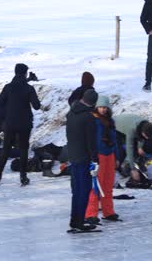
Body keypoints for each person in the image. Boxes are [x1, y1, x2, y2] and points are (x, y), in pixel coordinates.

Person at [0, 64, 41, 186]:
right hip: (25, 123)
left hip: (10, 123)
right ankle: (23, 177)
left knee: (6, 148)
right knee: (24, 149)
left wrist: (7, 113)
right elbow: (36, 106)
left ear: (15, 72)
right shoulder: (29, 88)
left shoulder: (8, 87)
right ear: (25, 73)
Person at [85, 96, 121, 225]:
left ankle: (108, 211)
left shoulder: (110, 121)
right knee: (96, 186)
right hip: (99, 156)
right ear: (96, 107)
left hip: (109, 155)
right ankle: (91, 213)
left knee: (108, 184)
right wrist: (92, 157)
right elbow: (91, 141)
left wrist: (116, 157)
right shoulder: (93, 121)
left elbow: (115, 141)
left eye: (105, 107)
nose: (103, 109)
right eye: (101, 107)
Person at [66, 89, 99, 232]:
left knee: (76, 190)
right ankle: (79, 222)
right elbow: (90, 141)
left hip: (73, 155)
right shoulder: (88, 118)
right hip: (84, 158)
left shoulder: (71, 112)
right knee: (84, 190)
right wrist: (95, 159)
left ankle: (75, 220)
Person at [113, 114, 152, 188]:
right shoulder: (132, 130)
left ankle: (137, 166)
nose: (147, 137)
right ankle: (116, 172)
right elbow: (129, 148)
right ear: (142, 132)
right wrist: (133, 169)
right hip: (116, 128)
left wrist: (141, 151)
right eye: (145, 135)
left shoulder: (149, 129)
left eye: (148, 136)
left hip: (132, 126)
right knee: (121, 152)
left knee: (139, 150)